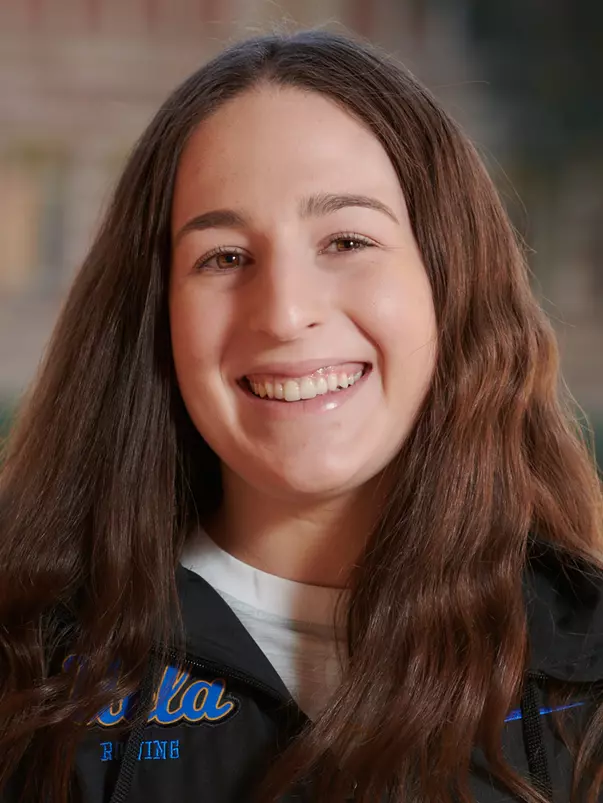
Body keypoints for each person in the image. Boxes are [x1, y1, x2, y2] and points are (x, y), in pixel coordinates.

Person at [0, 29, 602, 803]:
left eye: (346, 240)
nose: (284, 313)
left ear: (449, 281)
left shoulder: (584, 676)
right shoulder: (28, 677)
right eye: (223, 257)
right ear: (155, 313)